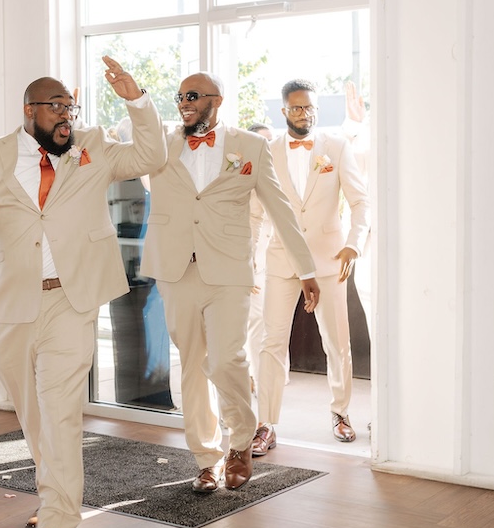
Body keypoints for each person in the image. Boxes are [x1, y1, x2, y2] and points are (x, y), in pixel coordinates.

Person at [0, 56, 165, 528]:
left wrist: (136, 100)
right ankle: (52, 491)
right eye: (56, 106)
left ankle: (58, 519)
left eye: (71, 106)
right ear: (28, 109)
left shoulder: (93, 148)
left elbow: (151, 154)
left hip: (72, 296)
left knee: (60, 408)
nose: (67, 115)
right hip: (13, 302)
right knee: (33, 410)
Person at [139, 72, 318, 494]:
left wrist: (306, 269)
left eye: (194, 96)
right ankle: (206, 459)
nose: (184, 102)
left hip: (230, 271)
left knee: (226, 360)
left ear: (216, 101)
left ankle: (240, 442)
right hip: (176, 269)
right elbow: (128, 137)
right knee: (193, 366)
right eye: (180, 95)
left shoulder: (250, 146)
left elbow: (280, 209)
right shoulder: (162, 144)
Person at [251, 78, 370, 452]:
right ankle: (266, 423)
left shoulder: (335, 147)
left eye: (312, 108)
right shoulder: (265, 151)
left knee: (337, 341)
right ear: (284, 110)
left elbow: (360, 202)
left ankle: (340, 411)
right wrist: (249, 264)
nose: (306, 114)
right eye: (298, 108)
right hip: (279, 259)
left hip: (330, 259)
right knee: (271, 343)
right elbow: (254, 213)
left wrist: (354, 244)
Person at [245, 123, 275, 396]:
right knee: (255, 322)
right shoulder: (247, 174)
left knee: (268, 324)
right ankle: (255, 377)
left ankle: (270, 378)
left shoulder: (277, 173)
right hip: (253, 262)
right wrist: (250, 266)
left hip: (275, 261)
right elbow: (252, 223)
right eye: (264, 140)